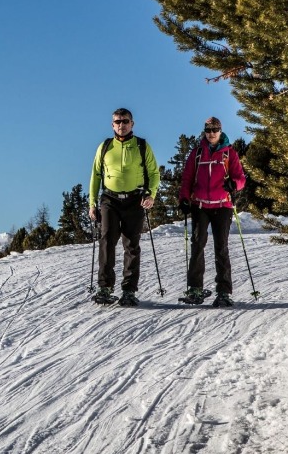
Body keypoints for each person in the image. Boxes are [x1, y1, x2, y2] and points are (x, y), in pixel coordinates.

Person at [88, 108, 161, 306]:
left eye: (125, 121)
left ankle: (129, 290)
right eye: (117, 122)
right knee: (107, 241)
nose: (121, 125)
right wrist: (92, 202)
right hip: (109, 200)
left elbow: (154, 173)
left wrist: (151, 194)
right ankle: (104, 287)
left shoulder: (142, 146)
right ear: (112, 125)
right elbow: (95, 175)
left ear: (132, 123)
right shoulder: (105, 147)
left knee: (131, 245)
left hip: (134, 199)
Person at [178, 116, 246, 307]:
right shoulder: (197, 153)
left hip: (222, 205)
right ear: (204, 131)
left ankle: (224, 292)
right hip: (200, 205)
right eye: (208, 130)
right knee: (197, 245)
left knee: (221, 247)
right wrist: (183, 198)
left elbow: (241, 177)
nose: (211, 134)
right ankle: (195, 288)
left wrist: (235, 184)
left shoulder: (229, 153)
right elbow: (187, 179)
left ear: (220, 130)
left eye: (215, 130)